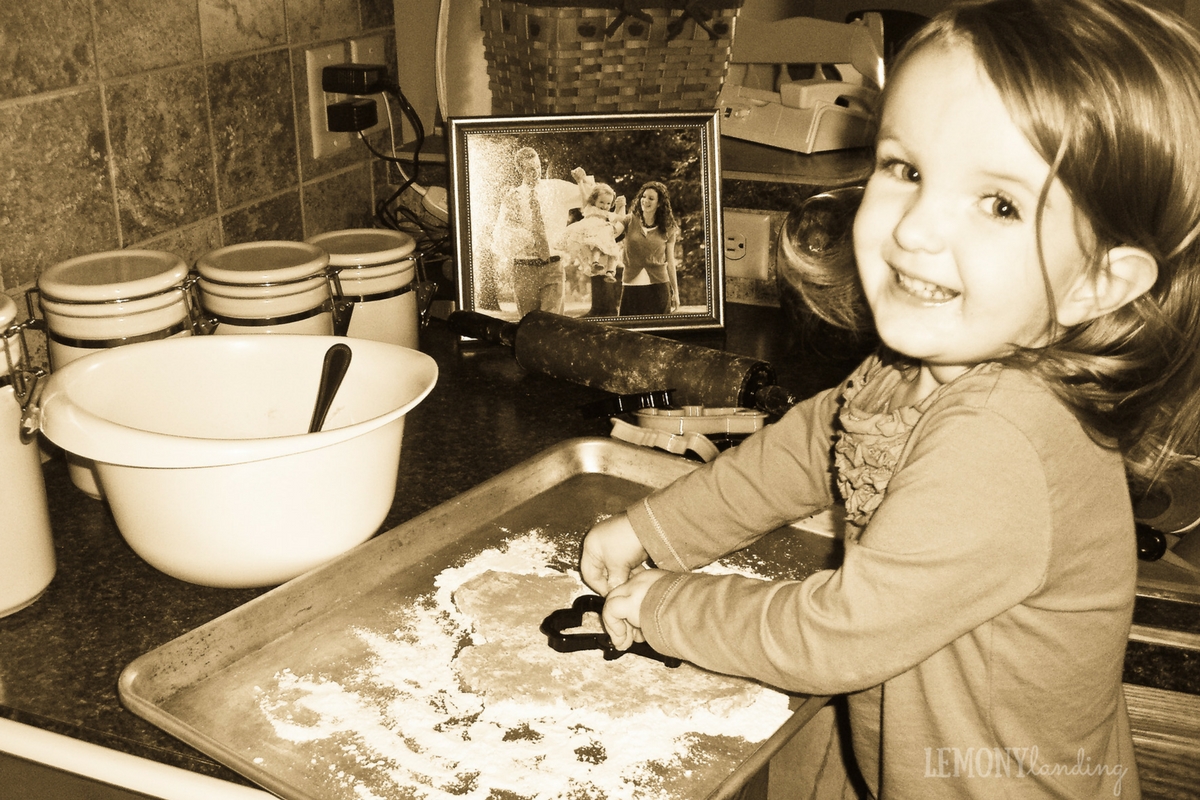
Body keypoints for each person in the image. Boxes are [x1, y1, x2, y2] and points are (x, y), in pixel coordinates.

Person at [580, 0, 1200, 797]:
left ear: (1097, 283)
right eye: (905, 170)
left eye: (999, 204)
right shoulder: (931, 363)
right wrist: (658, 526)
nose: (913, 230)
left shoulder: (1003, 437)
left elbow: (838, 636)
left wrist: (667, 603)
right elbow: (814, 442)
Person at [490, 146, 564, 316]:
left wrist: (584, 181)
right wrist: (527, 239)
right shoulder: (512, 197)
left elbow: (590, 196)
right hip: (524, 267)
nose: (535, 172)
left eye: (538, 167)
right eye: (530, 169)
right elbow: (502, 234)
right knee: (528, 321)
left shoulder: (554, 190)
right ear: (520, 169)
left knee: (552, 321)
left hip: (553, 264)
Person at [618, 181, 680, 316]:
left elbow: (670, 262)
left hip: (659, 287)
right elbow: (612, 233)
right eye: (643, 196)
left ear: (659, 203)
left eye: (651, 198)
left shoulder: (668, 228)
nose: (645, 201)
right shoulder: (629, 220)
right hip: (631, 285)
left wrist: (675, 292)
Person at [556, 167, 626, 284]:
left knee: (613, 252)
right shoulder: (590, 209)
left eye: (608, 203)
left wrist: (622, 206)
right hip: (592, 232)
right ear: (594, 201)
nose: (604, 206)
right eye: (602, 202)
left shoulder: (607, 215)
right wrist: (581, 183)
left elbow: (622, 219)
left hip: (605, 234)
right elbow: (584, 197)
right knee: (596, 246)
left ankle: (610, 272)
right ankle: (595, 263)